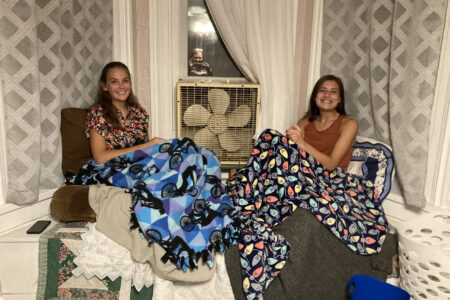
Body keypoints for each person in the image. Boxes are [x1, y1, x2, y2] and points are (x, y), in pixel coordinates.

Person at [86, 61, 164, 164]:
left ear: (130, 84)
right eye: (114, 81)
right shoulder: (98, 114)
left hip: (140, 168)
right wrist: (145, 146)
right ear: (104, 86)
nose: (121, 86)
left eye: (125, 80)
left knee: (185, 147)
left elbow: (147, 153)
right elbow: (100, 158)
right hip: (110, 171)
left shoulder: (139, 113)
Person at [286, 74, 358, 171]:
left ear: (340, 98)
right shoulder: (304, 121)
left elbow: (331, 164)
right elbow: (294, 155)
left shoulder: (349, 124)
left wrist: (301, 142)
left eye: (333, 91)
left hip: (330, 179)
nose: (327, 95)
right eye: (322, 90)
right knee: (269, 135)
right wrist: (290, 139)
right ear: (315, 96)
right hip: (302, 173)